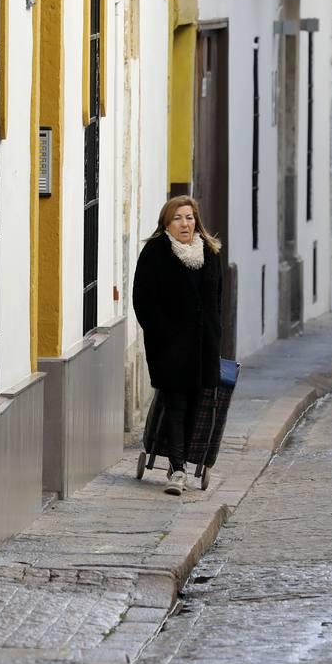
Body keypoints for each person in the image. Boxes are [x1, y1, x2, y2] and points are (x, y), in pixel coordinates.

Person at [132, 196, 224, 496]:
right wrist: (163, 334)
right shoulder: (155, 253)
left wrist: (214, 334)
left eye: (189, 217)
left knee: (196, 405)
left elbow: (216, 300)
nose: (185, 224)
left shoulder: (209, 253)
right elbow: (143, 301)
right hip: (169, 348)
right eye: (178, 218)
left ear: (196, 220)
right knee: (175, 404)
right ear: (166, 224)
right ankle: (179, 470)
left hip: (203, 347)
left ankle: (178, 463)